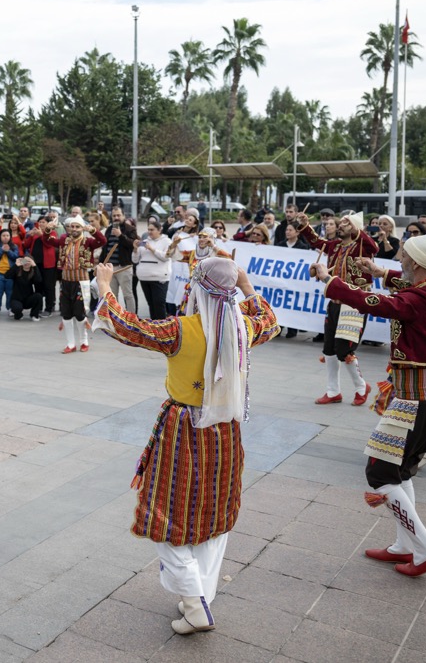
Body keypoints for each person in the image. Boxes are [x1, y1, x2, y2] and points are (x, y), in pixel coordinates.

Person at [92, 258, 279, 634]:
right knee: (214, 517)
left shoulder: (180, 330)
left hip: (184, 430)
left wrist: (104, 286)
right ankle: (201, 598)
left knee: (166, 513)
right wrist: (247, 286)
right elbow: (270, 320)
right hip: (226, 432)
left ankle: (195, 603)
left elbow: (124, 325)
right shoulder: (244, 327)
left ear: (195, 289)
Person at [310, 230, 426, 576]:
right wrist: (381, 273)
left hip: (416, 404)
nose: (400, 262)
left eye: (404, 258)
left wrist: (333, 282)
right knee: (400, 470)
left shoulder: (420, 298)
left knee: (380, 473)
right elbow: (404, 292)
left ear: (419, 263)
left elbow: (381, 304)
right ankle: (405, 546)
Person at [296, 211, 377, 406]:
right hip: (334, 302)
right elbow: (315, 241)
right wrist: (306, 224)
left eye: (345, 224)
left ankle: (360, 386)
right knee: (329, 349)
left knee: (344, 350)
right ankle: (333, 391)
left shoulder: (363, 247)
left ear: (356, 228)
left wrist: (357, 229)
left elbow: (374, 246)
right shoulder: (334, 246)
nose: (340, 226)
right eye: (340, 223)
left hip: (355, 305)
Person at [44, 216, 107, 353]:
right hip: (66, 281)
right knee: (66, 314)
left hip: (81, 282)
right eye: (72, 226)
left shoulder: (88, 241)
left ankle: (84, 341)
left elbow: (102, 240)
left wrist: (93, 230)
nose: (74, 229)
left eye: (77, 226)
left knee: (80, 313)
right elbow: (47, 240)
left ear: (82, 228)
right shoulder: (63, 240)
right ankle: (70, 344)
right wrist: (48, 229)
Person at [135, 220, 172, 320]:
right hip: (144, 277)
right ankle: (154, 328)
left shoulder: (167, 242)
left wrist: (152, 249)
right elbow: (134, 259)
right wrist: (135, 249)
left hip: (159, 278)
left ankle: (162, 328)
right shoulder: (145, 242)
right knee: (151, 304)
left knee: (159, 304)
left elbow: (166, 257)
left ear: (159, 230)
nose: (150, 232)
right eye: (148, 230)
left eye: (152, 230)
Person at [0, 228, 17, 317]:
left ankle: (10, 308)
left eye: (7, 235)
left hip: (10, 274)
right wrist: (2, 250)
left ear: (10, 237)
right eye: (3, 235)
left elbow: (16, 256)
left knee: (10, 293)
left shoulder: (14, 246)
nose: (5, 237)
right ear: (0, 237)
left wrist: (8, 251)